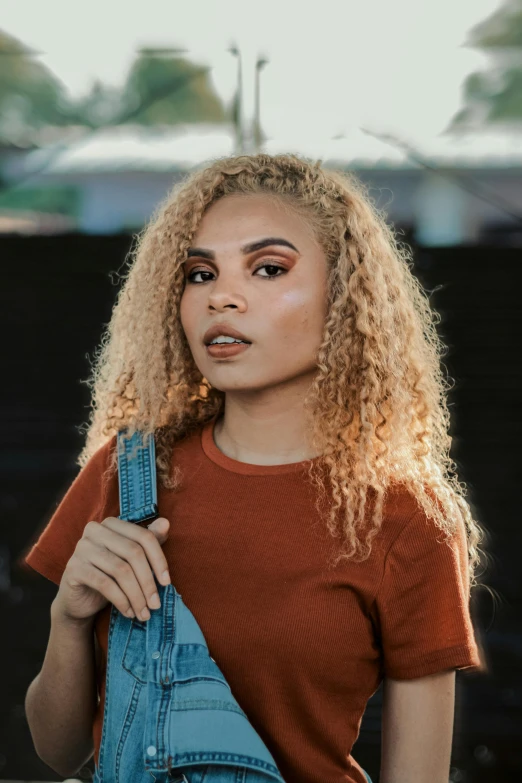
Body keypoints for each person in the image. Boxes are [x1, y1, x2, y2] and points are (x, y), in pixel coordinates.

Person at [21, 152, 488, 783]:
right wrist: (70, 617)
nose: (223, 297)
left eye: (268, 268)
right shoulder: (128, 475)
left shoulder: (406, 519)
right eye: (198, 273)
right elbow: (60, 750)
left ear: (345, 299)